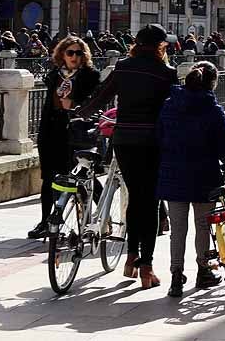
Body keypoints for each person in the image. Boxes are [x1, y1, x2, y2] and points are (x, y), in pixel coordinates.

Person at [77, 24, 178, 290]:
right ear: (160, 46)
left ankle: (130, 258)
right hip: (153, 142)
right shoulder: (166, 72)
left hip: (124, 140)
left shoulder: (123, 66)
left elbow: (102, 96)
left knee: (135, 197)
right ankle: (147, 267)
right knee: (152, 202)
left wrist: (82, 113)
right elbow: (175, 109)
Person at [157, 61, 225, 297]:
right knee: (202, 225)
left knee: (178, 229)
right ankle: (203, 270)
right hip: (203, 176)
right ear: (213, 83)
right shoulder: (212, 109)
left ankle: (176, 277)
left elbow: (160, 137)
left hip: (173, 173)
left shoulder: (169, 105)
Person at [29, 36, 101, 240]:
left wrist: (75, 103)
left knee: (83, 177)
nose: (75, 57)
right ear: (62, 54)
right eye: (70, 53)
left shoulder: (90, 75)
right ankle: (46, 221)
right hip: (52, 131)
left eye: (79, 53)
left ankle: (100, 218)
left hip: (77, 131)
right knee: (49, 178)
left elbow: (94, 100)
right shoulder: (54, 75)